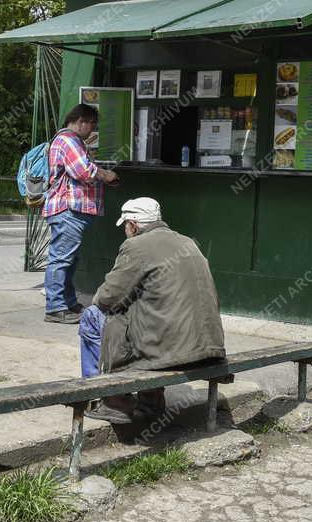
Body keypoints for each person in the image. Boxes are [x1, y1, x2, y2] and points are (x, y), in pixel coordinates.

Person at [79, 197, 226, 424]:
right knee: (149, 311)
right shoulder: (187, 241)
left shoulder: (136, 246)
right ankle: (151, 401)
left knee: (94, 316)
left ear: (134, 225)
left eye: (125, 225)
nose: (125, 231)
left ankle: (108, 397)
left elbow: (106, 298)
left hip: (171, 352)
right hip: (208, 350)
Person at [42, 104, 118, 323]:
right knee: (62, 259)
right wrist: (106, 175)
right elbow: (83, 170)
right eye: (93, 124)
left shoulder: (70, 140)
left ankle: (67, 303)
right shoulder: (69, 140)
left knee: (69, 259)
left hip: (70, 209)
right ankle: (55, 308)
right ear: (82, 120)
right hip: (68, 209)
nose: (93, 130)